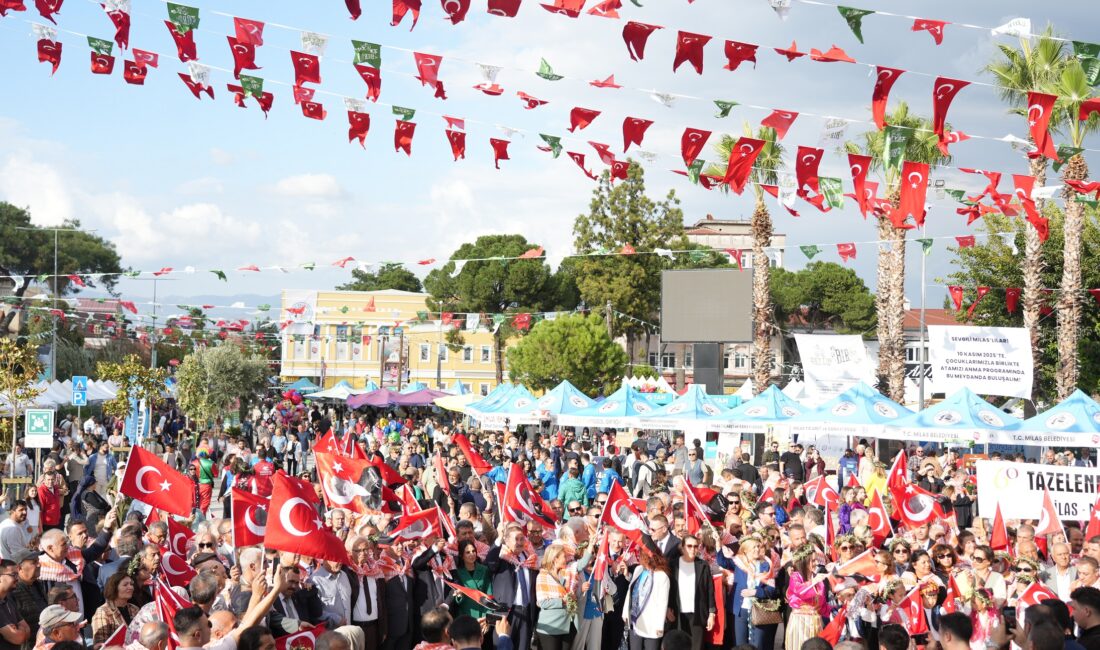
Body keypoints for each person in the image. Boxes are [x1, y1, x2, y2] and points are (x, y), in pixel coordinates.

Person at [665, 534, 714, 650]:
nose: (693, 549)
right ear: (682, 548)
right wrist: (667, 608)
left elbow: (709, 591)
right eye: (689, 546)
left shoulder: (703, 565)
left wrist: (712, 614)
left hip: (697, 614)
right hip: (677, 614)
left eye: (696, 546)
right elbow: (668, 589)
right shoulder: (673, 565)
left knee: (696, 647)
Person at [623, 549, 670, 650]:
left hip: (652, 624)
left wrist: (659, 626)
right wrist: (625, 613)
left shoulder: (662, 576)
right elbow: (630, 591)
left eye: (641, 555)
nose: (639, 557)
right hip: (635, 621)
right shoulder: (638, 569)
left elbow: (663, 603)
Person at [785, 544, 827, 649]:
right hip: (800, 622)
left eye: (816, 560)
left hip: (816, 621)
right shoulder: (795, 576)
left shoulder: (816, 578)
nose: (816, 563)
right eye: (813, 561)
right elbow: (799, 591)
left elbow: (822, 603)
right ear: (803, 561)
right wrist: (813, 582)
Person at [534, 543, 574, 650]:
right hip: (550, 627)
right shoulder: (542, 576)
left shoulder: (564, 574)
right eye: (564, 556)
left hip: (566, 626)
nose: (567, 559)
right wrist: (562, 601)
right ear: (555, 558)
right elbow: (542, 602)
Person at [92, 572, 140, 644]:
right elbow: (100, 644)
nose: (130, 587)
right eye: (125, 585)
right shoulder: (103, 612)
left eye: (131, 584)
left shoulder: (134, 609)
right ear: (114, 588)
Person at [449, 540, 491, 619]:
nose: (472, 554)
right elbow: (456, 600)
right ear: (462, 556)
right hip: (465, 615)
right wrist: (459, 596)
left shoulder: (484, 569)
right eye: (468, 552)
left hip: (482, 614)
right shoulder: (457, 572)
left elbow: (489, 594)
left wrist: (487, 616)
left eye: (473, 551)